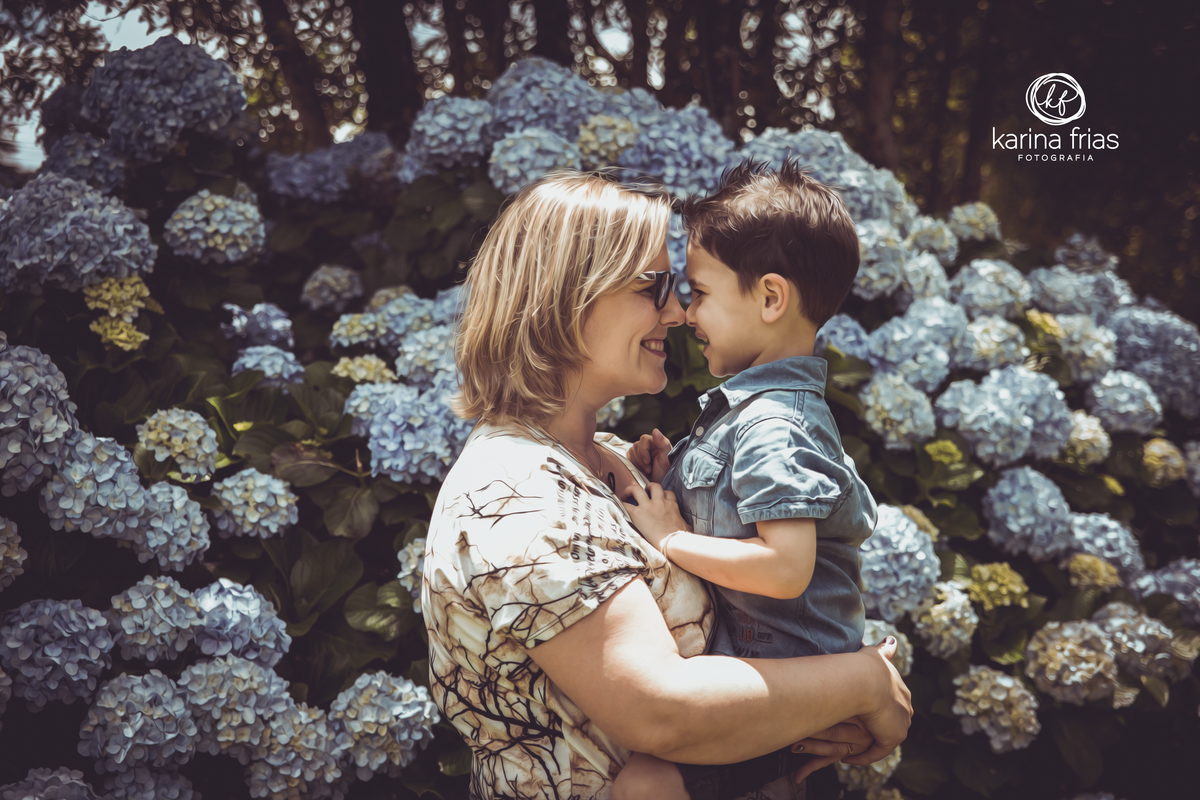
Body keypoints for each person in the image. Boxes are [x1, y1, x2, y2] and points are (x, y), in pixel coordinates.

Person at [422, 169, 911, 800]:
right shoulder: (515, 499)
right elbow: (664, 713)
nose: (679, 312)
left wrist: (810, 708)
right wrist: (862, 682)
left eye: (683, 290)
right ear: (569, 297)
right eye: (655, 287)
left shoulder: (618, 461)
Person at [612, 159, 878, 800]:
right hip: (769, 679)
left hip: (783, 691)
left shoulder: (773, 426)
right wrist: (669, 477)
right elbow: (734, 509)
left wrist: (669, 538)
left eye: (699, 293)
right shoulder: (752, 416)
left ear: (769, 297)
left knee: (645, 783)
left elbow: (783, 568)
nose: (683, 312)